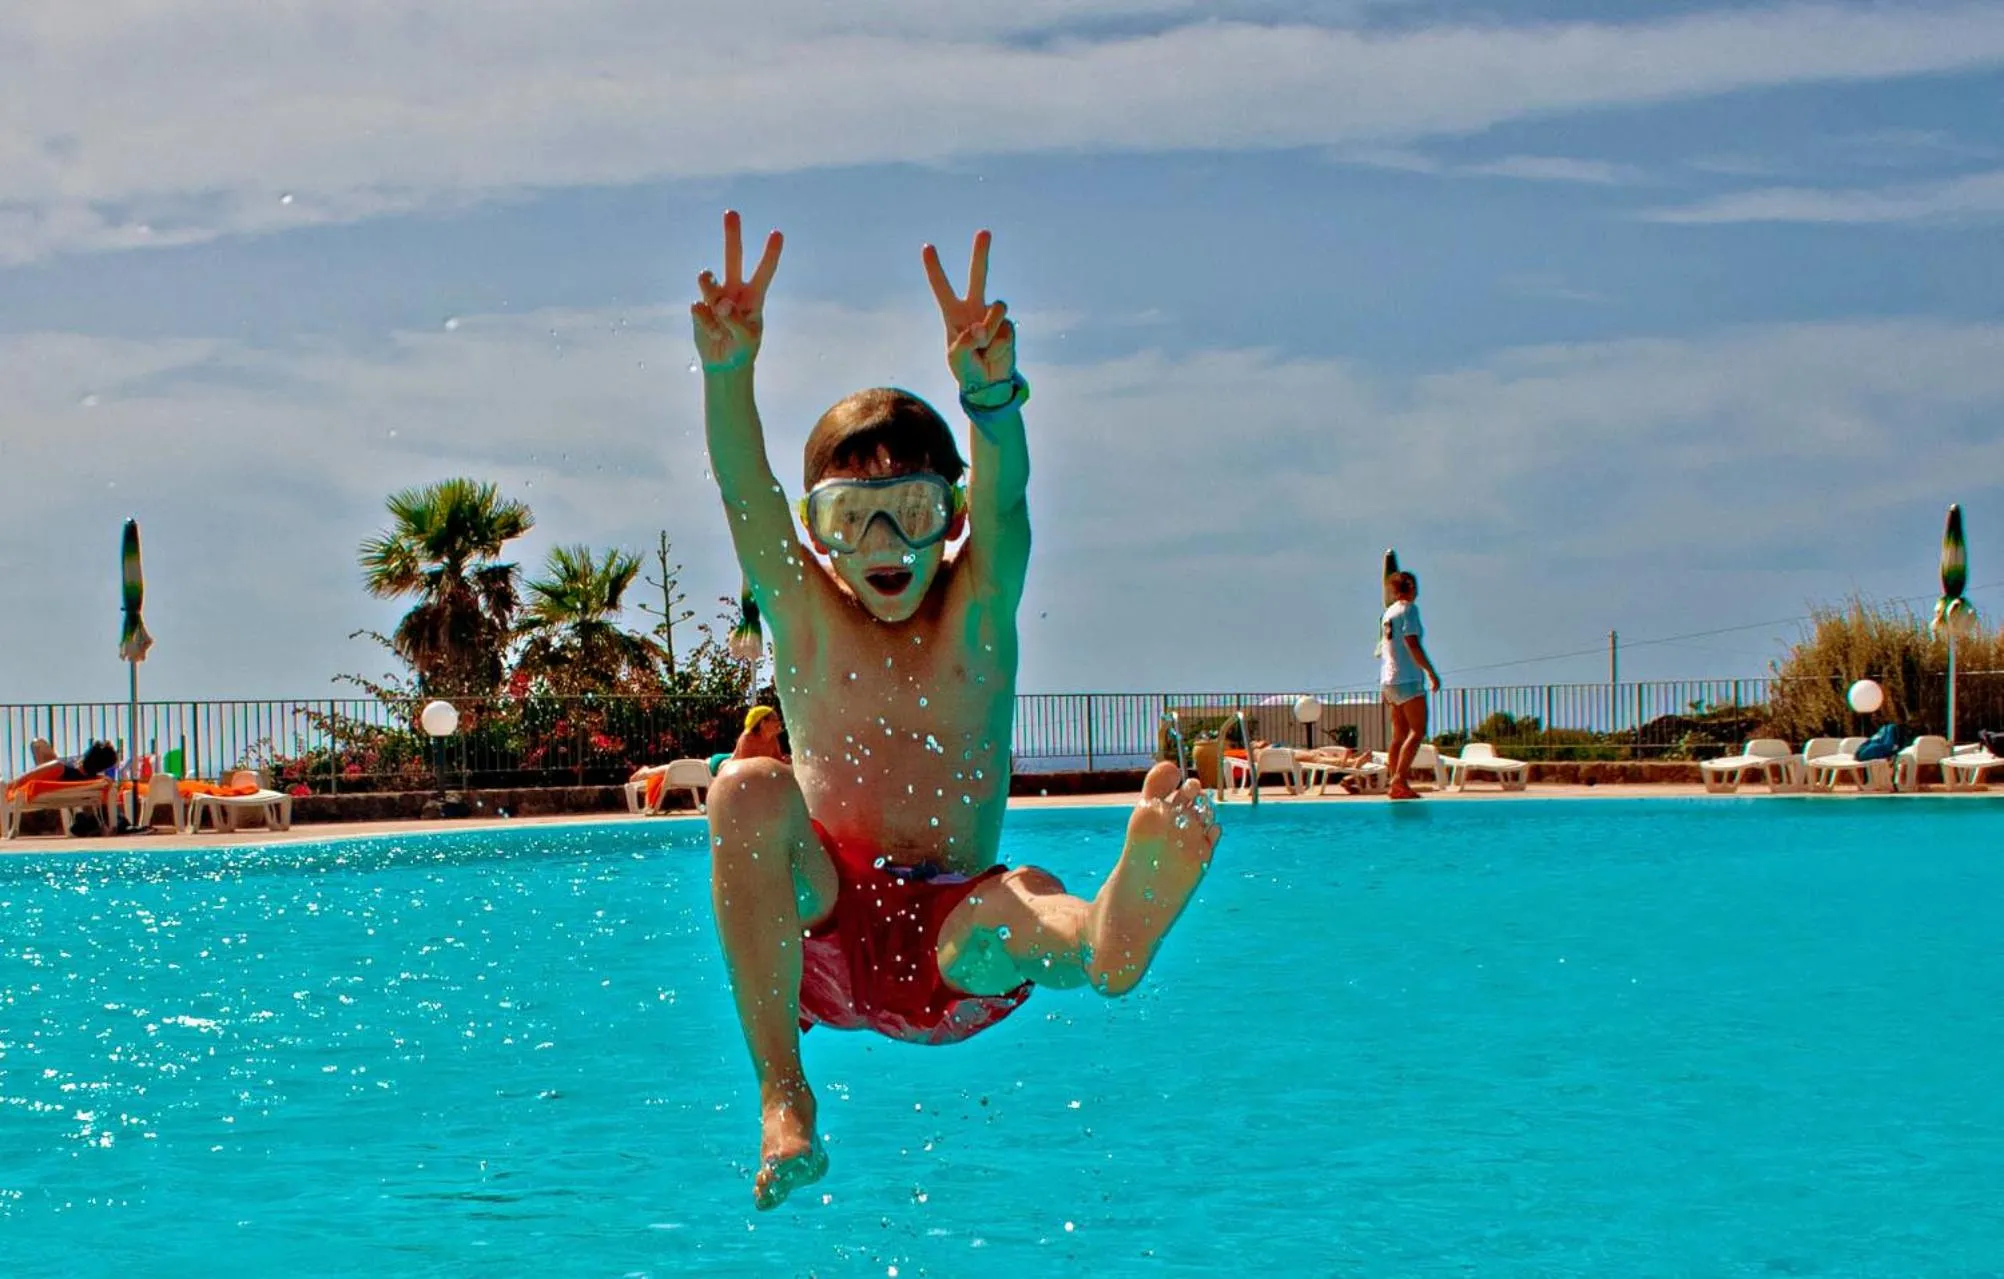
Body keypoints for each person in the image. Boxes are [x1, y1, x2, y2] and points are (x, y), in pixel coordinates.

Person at [691, 211, 1221, 1210]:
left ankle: (1108, 934)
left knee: (1013, 911)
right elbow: (739, 486)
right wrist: (729, 374)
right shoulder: (805, 617)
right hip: (822, 927)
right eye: (852, 519)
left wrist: (991, 399)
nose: (886, 541)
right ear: (816, 533)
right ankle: (783, 1095)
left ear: (953, 518)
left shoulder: (977, 614)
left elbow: (1011, 503)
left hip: (946, 934)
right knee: (748, 791)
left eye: (917, 510)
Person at [1380, 571, 1441, 800]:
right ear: (1412, 587)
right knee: (1417, 730)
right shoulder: (1409, 610)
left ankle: (1394, 780)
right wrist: (1431, 672)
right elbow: (1412, 643)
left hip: (1389, 679)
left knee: (1399, 734)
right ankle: (1399, 780)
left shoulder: (1388, 613)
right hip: (1407, 678)